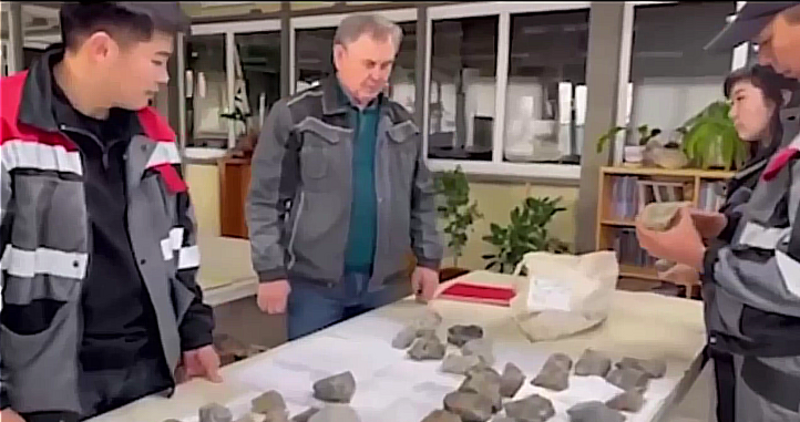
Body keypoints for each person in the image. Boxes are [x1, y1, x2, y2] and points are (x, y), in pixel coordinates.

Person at [0, 3, 220, 422]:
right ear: (102, 49)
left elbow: (181, 247)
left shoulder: (155, 135)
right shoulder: (6, 125)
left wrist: (194, 334)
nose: (165, 77)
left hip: (147, 372)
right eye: (157, 60)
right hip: (44, 389)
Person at [638, 3, 800, 420]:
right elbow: (781, 232)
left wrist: (703, 258)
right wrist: (724, 227)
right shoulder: (786, 147)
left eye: (766, 40)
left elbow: (795, 278)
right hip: (758, 355)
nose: (765, 59)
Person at [247, 14, 443, 340]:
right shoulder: (296, 115)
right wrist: (270, 271)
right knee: (312, 369)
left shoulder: (403, 124)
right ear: (339, 56)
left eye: (386, 65)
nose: (377, 75)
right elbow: (264, 201)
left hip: (385, 286)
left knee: (381, 369)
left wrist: (428, 260)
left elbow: (421, 198)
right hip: (314, 290)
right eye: (368, 64)